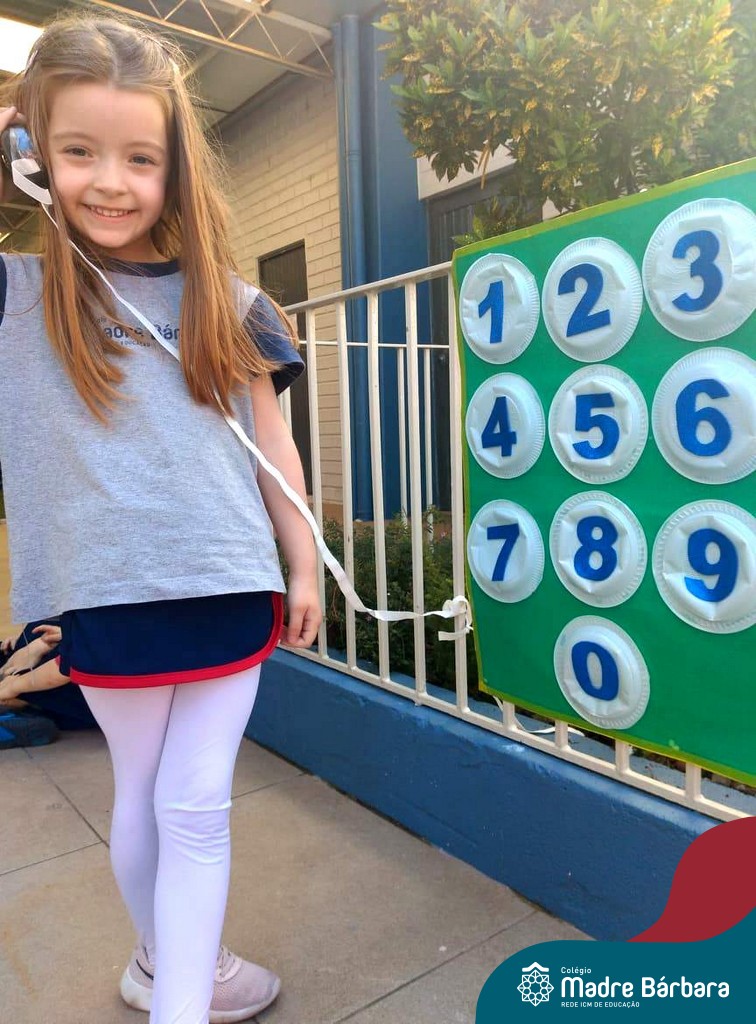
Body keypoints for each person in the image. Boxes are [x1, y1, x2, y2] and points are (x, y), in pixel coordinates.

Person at [0, 13, 321, 1024]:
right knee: (163, 798)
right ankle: (186, 987)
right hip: (107, 592)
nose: (110, 181)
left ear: (177, 166)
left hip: (227, 579)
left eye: (140, 157)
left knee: (179, 801)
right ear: (32, 150)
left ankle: (167, 970)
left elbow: (273, 446)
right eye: (77, 150)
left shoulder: (233, 299)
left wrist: (303, 565)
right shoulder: (16, 295)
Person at [0, 620, 99, 745]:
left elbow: (75, 662)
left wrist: (13, 686)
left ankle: (24, 704)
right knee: (36, 630)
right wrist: (42, 643)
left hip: (99, 689)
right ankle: (27, 708)